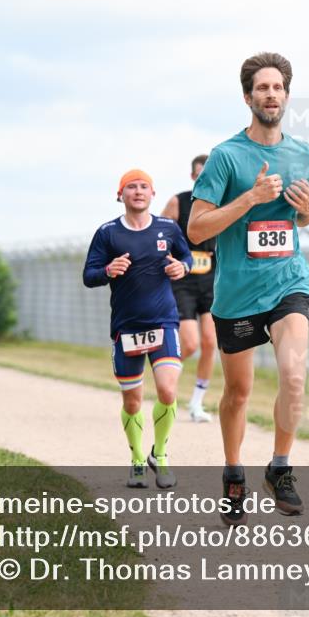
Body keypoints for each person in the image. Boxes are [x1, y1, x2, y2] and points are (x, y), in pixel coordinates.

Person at [188, 52, 309, 525]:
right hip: (237, 292)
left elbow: (306, 216)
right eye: (262, 88)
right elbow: (197, 230)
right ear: (248, 97)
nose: (271, 95)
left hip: (288, 280)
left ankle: (280, 468)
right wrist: (250, 198)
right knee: (239, 392)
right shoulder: (225, 157)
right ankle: (233, 471)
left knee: (295, 374)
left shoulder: (304, 153)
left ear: (286, 94)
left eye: (278, 87)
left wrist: (307, 210)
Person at [84, 168, 193, 489]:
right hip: (126, 327)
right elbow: (89, 275)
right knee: (132, 402)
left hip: (164, 321)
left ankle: (159, 454)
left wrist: (181, 267)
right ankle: (136, 460)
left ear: (153, 194)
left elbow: (186, 257)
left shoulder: (168, 228)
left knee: (168, 390)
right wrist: (107, 269)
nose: (138, 191)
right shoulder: (107, 233)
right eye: (131, 187)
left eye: (144, 186)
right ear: (121, 195)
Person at [161, 154, 217, 423]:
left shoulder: (223, 203)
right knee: (191, 343)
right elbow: (157, 235)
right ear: (193, 177)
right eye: (199, 175)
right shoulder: (178, 202)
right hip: (182, 280)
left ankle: (196, 403)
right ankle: (166, 379)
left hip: (211, 278)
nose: (204, 179)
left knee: (210, 342)